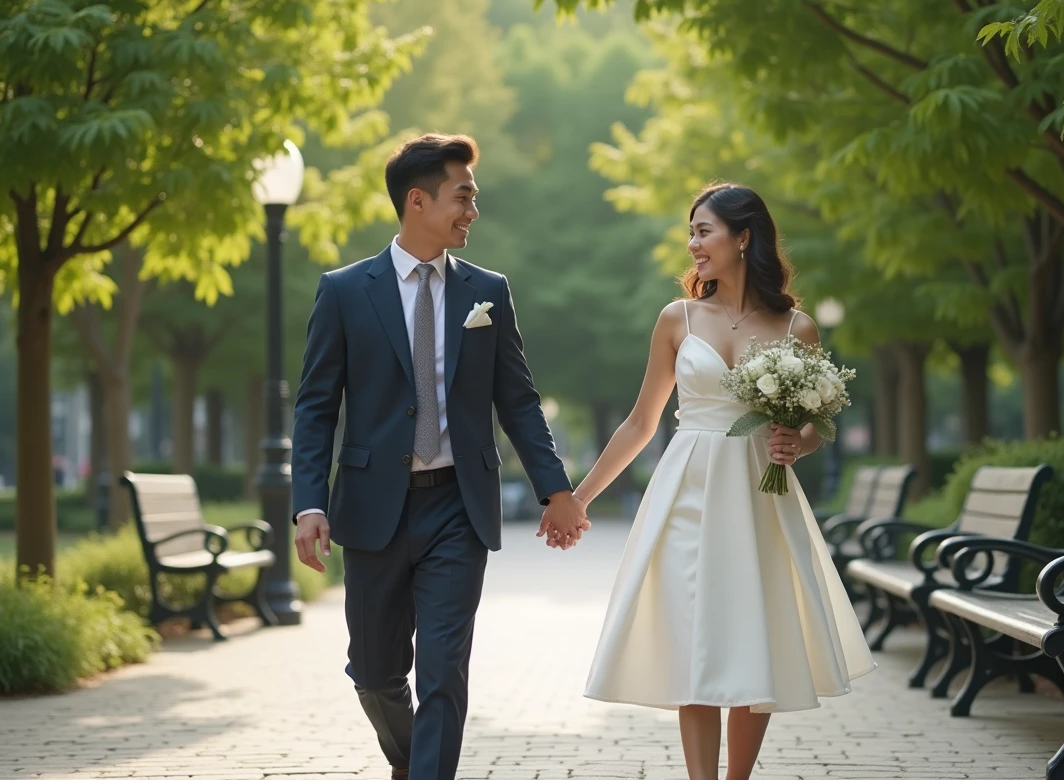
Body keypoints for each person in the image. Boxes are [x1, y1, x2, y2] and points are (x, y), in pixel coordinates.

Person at [289, 133, 590, 780]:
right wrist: (309, 503)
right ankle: (413, 761)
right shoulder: (344, 291)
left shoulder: (488, 291)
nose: (472, 212)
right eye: (463, 198)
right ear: (417, 201)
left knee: (444, 670)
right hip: (373, 508)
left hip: (458, 506)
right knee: (375, 674)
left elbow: (518, 401)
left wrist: (557, 489)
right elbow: (315, 407)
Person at [564, 183, 875, 780]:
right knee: (696, 641)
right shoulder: (676, 318)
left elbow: (814, 425)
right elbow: (641, 422)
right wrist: (580, 498)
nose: (693, 244)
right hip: (687, 492)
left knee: (755, 636)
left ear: (743, 237)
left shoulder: (798, 328)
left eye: (704, 231)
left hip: (760, 496)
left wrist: (798, 441)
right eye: (692, 232)